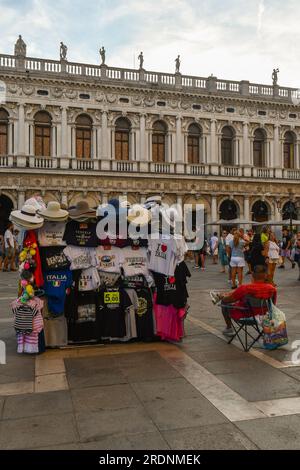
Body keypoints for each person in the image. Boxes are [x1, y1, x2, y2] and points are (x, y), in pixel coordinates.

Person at [213, 265, 277, 337]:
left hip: (246, 315)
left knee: (224, 303)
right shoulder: (272, 289)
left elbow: (229, 299)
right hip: (265, 317)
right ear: (266, 276)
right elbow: (273, 305)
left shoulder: (245, 288)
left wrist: (223, 297)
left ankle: (229, 328)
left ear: (252, 274)